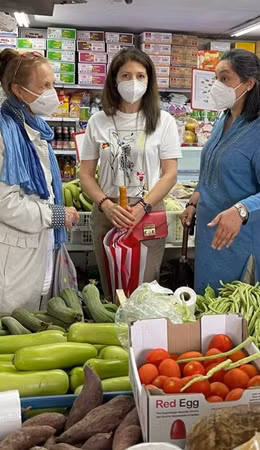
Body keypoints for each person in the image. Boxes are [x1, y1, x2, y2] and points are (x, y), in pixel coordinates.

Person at [0, 50, 78, 312]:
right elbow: (3, 202)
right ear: (18, 90)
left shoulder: (34, 129)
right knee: (7, 328)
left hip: (32, 249)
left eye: (53, 84)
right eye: (45, 86)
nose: (53, 94)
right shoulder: (0, 135)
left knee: (30, 320)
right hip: (5, 258)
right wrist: (55, 215)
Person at [180, 49, 260, 293]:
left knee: (237, 315)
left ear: (249, 83)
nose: (217, 85)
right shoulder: (224, 119)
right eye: (216, 78)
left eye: (225, 78)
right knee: (208, 308)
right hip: (211, 238)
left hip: (241, 240)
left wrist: (241, 211)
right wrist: (194, 201)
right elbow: (212, 170)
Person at [79, 48, 181, 298]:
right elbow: (85, 174)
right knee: (111, 287)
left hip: (147, 213)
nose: (133, 82)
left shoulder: (163, 122)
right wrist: (105, 205)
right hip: (108, 214)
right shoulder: (98, 121)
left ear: (149, 81)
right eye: (125, 75)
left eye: (140, 76)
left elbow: (170, 174)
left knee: (145, 291)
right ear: (114, 80)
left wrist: (143, 207)